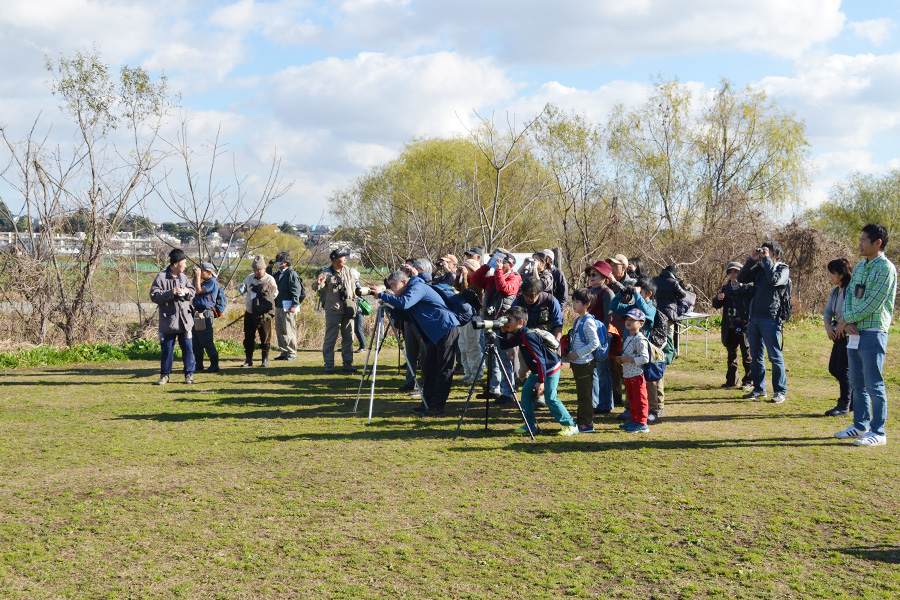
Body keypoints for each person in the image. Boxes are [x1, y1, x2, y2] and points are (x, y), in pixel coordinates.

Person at [834, 224, 897, 447]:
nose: (859, 244)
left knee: (874, 384)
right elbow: (850, 295)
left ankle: (878, 431)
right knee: (856, 382)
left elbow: (874, 302)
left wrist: (849, 319)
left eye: (863, 240)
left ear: (877, 243)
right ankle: (860, 426)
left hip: (873, 331)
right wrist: (848, 318)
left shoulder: (886, 269)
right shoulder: (860, 267)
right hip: (854, 333)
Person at [371, 270, 459, 417]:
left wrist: (382, 294)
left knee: (443, 370)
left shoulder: (417, 287)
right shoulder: (410, 291)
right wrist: (388, 305)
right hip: (434, 334)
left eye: (393, 285)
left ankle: (437, 407)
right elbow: (406, 314)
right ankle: (427, 403)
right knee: (429, 368)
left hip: (446, 328)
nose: (392, 289)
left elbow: (405, 304)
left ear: (404, 282)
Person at [500, 306, 578, 437]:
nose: (506, 322)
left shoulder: (528, 336)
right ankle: (529, 424)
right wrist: (503, 331)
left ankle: (570, 425)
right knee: (525, 392)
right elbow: (504, 345)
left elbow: (540, 359)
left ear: (520, 322)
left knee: (550, 398)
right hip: (539, 370)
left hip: (549, 368)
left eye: (509, 319)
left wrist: (541, 382)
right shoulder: (519, 334)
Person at [737, 242, 790, 403]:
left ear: (777, 255)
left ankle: (780, 391)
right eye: (762, 251)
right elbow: (742, 278)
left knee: (774, 356)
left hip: (771, 318)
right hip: (755, 318)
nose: (763, 254)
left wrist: (767, 260)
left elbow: (774, 280)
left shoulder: (783, 269)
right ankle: (759, 389)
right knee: (756, 357)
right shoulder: (760, 268)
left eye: (768, 252)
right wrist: (751, 260)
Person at [469, 249, 521, 402]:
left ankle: (508, 392)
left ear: (509, 264)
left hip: (504, 325)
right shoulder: (492, 277)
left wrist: (498, 270)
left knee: (504, 358)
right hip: (489, 322)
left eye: (500, 260)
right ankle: (493, 388)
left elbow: (503, 289)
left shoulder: (515, 277)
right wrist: (487, 265)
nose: (497, 262)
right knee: (491, 357)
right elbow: (475, 280)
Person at [610, 275, 663, 424]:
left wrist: (637, 295)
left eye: (641, 292)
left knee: (649, 382)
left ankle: (652, 411)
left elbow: (645, 312)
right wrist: (622, 293)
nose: (637, 294)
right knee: (629, 378)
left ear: (649, 294)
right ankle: (630, 408)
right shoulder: (634, 307)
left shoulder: (651, 309)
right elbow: (614, 306)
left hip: (644, 349)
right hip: (629, 346)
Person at [149, 248, 196, 385]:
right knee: (167, 350)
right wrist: (171, 293)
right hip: (168, 321)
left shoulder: (184, 277)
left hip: (185, 321)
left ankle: (189, 375)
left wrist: (187, 291)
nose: (186, 266)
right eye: (184, 263)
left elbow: (192, 292)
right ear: (175, 264)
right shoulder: (161, 277)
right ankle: (165, 375)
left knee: (188, 348)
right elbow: (154, 296)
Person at [313, 248, 358, 374]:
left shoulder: (349, 272)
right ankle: (329, 365)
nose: (345, 258)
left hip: (348, 309)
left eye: (345, 256)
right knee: (330, 338)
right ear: (334, 259)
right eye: (343, 256)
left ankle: (348, 364)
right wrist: (318, 283)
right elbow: (316, 286)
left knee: (349, 338)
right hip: (333, 310)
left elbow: (354, 288)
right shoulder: (326, 273)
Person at [711, 261, 754, 390]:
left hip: (744, 325)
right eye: (731, 272)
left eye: (736, 272)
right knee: (731, 355)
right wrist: (717, 299)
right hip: (730, 326)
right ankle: (732, 380)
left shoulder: (747, 287)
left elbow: (753, 304)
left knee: (747, 355)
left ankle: (749, 381)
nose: (733, 275)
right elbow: (716, 305)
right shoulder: (726, 288)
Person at [566, 288, 603, 433]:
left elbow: (595, 343)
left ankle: (587, 423)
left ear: (587, 304)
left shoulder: (588, 322)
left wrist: (577, 354)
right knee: (581, 394)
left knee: (585, 395)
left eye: (577, 302)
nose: (573, 305)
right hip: (578, 363)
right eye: (573, 301)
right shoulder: (578, 320)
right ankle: (581, 420)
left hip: (585, 363)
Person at [823, 258, 853, 416]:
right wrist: (828, 327)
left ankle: (844, 405)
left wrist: (842, 325)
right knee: (834, 368)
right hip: (838, 335)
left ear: (841, 274)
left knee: (843, 370)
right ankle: (854, 398)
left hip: (849, 335)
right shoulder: (835, 291)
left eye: (832, 272)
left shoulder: (850, 289)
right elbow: (828, 313)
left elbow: (852, 311)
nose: (829, 275)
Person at [585, 260, 616, 414]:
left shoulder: (607, 292)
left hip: (602, 336)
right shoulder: (588, 290)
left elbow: (608, 317)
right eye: (590, 274)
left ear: (604, 277)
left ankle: (605, 404)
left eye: (594, 274)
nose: (591, 277)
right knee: (592, 372)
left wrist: (602, 338)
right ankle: (594, 402)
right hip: (587, 337)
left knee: (603, 372)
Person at [615, 308, 651, 433]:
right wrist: (621, 359)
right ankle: (634, 420)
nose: (628, 322)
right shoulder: (627, 337)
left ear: (641, 324)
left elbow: (645, 358)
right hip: (628, 374)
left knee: (640, 399)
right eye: (627, 319)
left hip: (637, 374)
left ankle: (642, 423)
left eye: (632, 320)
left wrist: (628, 359)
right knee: (632, 399)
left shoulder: (640, 339)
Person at [239, 255, 278, 367]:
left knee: (265, 336)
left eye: (259, 270)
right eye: (255, 270)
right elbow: (243, 287)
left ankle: (264, 360)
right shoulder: (249, 277)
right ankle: (248, 359)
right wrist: (241, 288)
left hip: (264, 313)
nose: (256, 272)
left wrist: (262, 293)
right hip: (250, 311)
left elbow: (275, 294)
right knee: (248, 336)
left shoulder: (269, 279)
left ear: (264, 269)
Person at [191, 262, 226, 373]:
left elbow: (198, 290)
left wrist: (197, 277)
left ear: (209, 272)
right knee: (196, 340)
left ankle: (214, 365)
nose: (200, 272)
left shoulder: (212, 282)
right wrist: (195, 277)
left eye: (202, 270)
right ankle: (199, 364)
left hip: (206, 313)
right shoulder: (205, 282)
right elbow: (194, 288)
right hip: (198, 313)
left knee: (206, 340)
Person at [454, 258, 484, 385]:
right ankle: (468, 372)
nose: (464, 270)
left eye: (467, 268)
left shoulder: (478, 282)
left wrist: (465, 277)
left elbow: (466, 293)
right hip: (463, 317)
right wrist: (458, 276)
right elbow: (456, 290)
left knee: (472, 346)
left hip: (474, 317)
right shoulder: (465, 280)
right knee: (463, 346)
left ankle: (476, 373)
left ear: (473, 269)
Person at [272, 252, 305, 361]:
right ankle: (284, 352)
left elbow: (296, 291)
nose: (277, 263)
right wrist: (269, 267)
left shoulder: (291, 274)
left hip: (289, 306)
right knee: (280, 329)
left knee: (289, 330)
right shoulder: (278, 274)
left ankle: (292, 353)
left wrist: (295, 305)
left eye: (279, 260)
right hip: (279, 305)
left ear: (285, 262)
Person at [350, 266, 367, 353]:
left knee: (357, 328)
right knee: (350, 328)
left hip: (359, 310)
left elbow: (358, 297)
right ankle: (348, 346)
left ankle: (363, 346)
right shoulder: (353, 284)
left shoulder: (356, 285)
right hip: (353, 309)